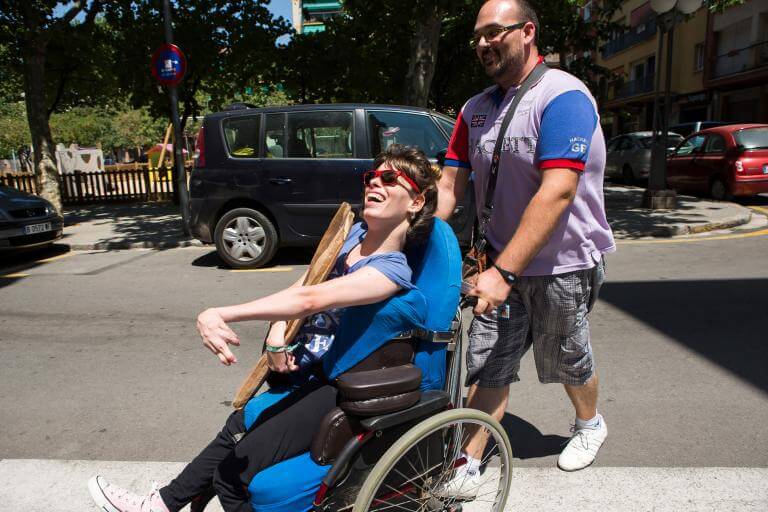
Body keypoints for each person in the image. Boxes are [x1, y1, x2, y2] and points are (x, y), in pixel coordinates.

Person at [88, 144, 439, 512]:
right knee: (236, 424)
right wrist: (275, 332)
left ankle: (162, 504)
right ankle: (163, 503)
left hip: (334, 381)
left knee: (232, 476)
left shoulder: (390, 271)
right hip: (300, 368)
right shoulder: (353, 236)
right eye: (371, 176)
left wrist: (220, 312)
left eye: (389, 178)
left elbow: (311, 301)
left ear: (415, 203)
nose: (374, 183)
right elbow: (302, 285)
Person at [436, 0, 616, 489]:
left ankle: (588, 423)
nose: (482, 43)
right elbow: (450, 184)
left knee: (568, 357)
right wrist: (427, 243)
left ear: (528, 31)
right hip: (500, 262)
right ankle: (469, 458)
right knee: (489, 358)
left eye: (494, 32)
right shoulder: (475, 109)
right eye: (477, 35)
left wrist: (503, 272)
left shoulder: (563, 97)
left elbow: (558, 190)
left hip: (562, 263)